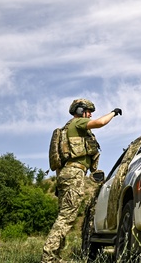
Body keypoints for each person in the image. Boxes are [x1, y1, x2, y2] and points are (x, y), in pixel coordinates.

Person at [41, 99, 122, 263]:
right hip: (74, 173)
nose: (90, 114)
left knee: (65, 216)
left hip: (66, 174)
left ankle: (54, 256)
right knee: (66, 217)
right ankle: (48, 257)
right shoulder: (77, 123)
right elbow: (100, 122)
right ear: (79, 111)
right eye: (88, 110)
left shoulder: (66, 129)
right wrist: (113, 112)